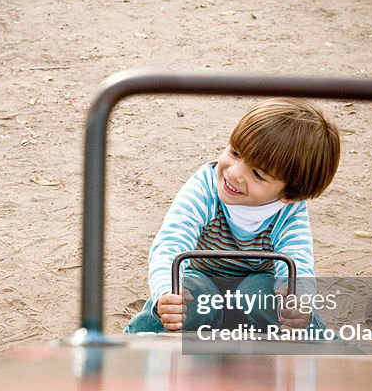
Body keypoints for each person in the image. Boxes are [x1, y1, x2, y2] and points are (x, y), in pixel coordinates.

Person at [123, 97, 340, 334]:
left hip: (256, 283)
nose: (234, 173)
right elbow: (172, 242)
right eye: (235, 153)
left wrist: (297, 300)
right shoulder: (205, 186)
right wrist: (166, 291)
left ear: (290, 193)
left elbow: (297, 259)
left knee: (281, 304)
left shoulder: (288, 210)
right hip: (203, 279)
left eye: (257, 174)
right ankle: (122, 352)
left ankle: (329, 348)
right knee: (177, 302)